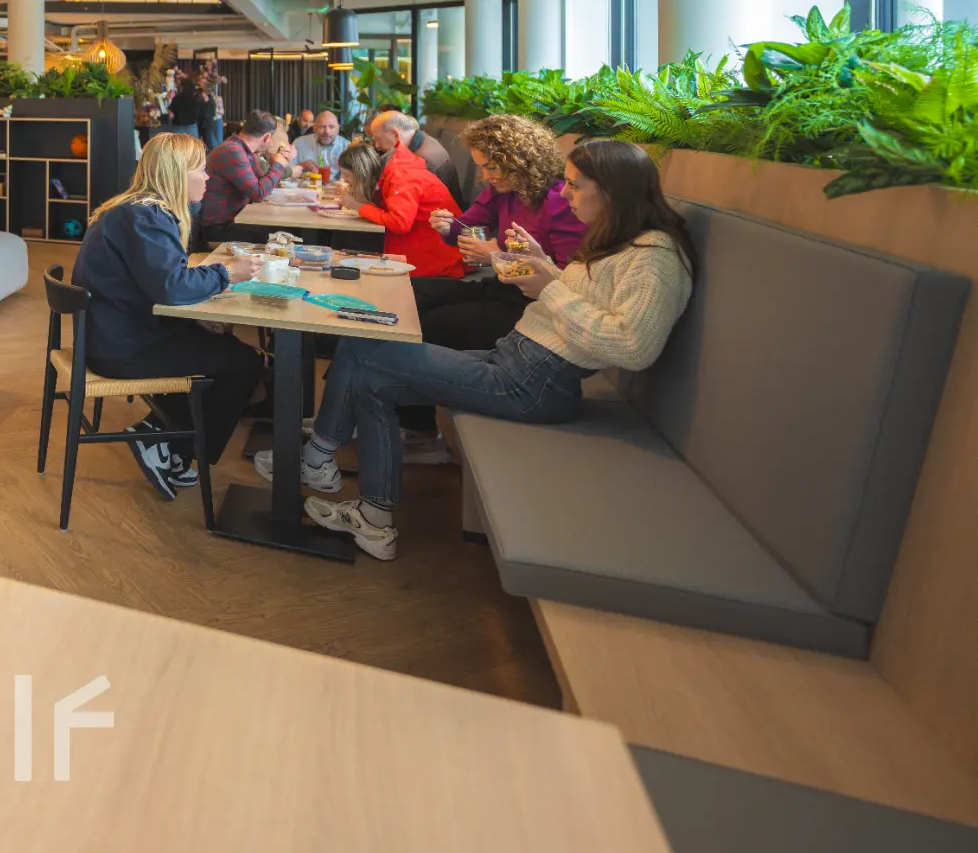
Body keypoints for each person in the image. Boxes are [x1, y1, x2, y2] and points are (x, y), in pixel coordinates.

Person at [259, 138, 695, 560]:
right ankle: (368, 512)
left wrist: (549, 286)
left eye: (576, 184)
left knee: (367, 350)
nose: (565, 193)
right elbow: (571, 294)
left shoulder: (654, 258)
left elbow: (633, 346)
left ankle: (320, 462)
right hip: (517, 361)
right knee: (370, 365)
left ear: (613, 191)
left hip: (533, 382)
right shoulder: (617, 242)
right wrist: (536, 261)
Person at [71, 130, 263, 498]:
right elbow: (170, 286)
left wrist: (192, 316)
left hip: (113, 333)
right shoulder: (147, 216)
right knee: (244, 362)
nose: (208, 178)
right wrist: (228, 273)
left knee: (220, 347)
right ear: (177, 173)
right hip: (123, 347)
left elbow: (153, 284)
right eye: (201, 170)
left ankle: (159, 438)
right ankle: (173, 446)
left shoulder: (132, 209)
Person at [419, 114, 585, 350]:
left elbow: (565, 280)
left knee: (428, 322)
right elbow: (461, 230)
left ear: (520, 161)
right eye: (482, 168)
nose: (486, 176)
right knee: (413, 292)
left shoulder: (559, 201)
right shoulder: (502, 191)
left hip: (533, 306)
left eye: (492, 167)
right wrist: (446, 226)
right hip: (501, 287)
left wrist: (496, 256)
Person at [339, 135, 462, 279]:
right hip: (426, 244)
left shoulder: (401, 177)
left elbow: (400, 223)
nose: (344, 180)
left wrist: (358, 206)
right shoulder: (391, 171)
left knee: (349, 245)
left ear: (361, 173)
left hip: (441, 257)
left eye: (347, 175)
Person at [194, 110, 296, 247]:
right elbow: (258, 194)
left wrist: (277, 161)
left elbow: (265, 188)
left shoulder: (243, 150)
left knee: (287, 232)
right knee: (283, 234)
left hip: (234, 221)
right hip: (218, 228)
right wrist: (278, 165)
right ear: (266, 137)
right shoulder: (233, 151)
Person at [367, 107, 465, 206]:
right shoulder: (420, 139)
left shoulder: (423, 160)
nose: (377, 146)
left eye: (378, 139)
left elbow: (403, 205)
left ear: (395, 134)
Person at [291, 109, 347, 175]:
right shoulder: (299, 143)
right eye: (322, 127)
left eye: (331, 127)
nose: (327, 132)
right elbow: (286, 173)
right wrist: (301, 166)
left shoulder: (346, 147)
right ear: (314, 128)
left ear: (338, 129)